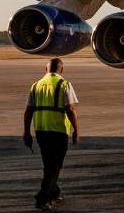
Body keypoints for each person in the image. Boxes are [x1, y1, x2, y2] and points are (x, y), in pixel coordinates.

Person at [23, 58, 80, 211]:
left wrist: (26, 132)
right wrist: (76, 130)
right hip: (58, 131)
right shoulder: (64, 84)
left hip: (41, 130)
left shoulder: (36, 85)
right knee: (55, 166)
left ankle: (55, 192)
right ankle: (43, 197)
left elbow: (28, 111)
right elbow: (70, 109)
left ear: (45, 69)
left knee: (49, 164)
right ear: (62, 70)